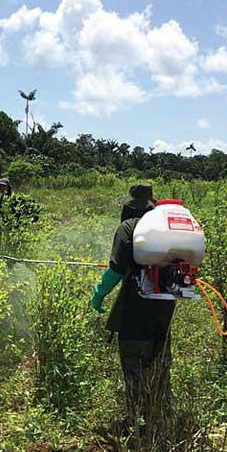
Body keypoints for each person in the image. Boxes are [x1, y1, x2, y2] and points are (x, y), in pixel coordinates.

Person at [90, 184, 176, 436]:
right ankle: (161, 420)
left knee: (135, 367)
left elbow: (116, 270)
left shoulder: (127, 228)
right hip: (164, 312)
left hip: (134, 314)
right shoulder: (167, 229)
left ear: (128, 207)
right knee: (159, 365)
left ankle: (140, 425)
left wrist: (99, 293)